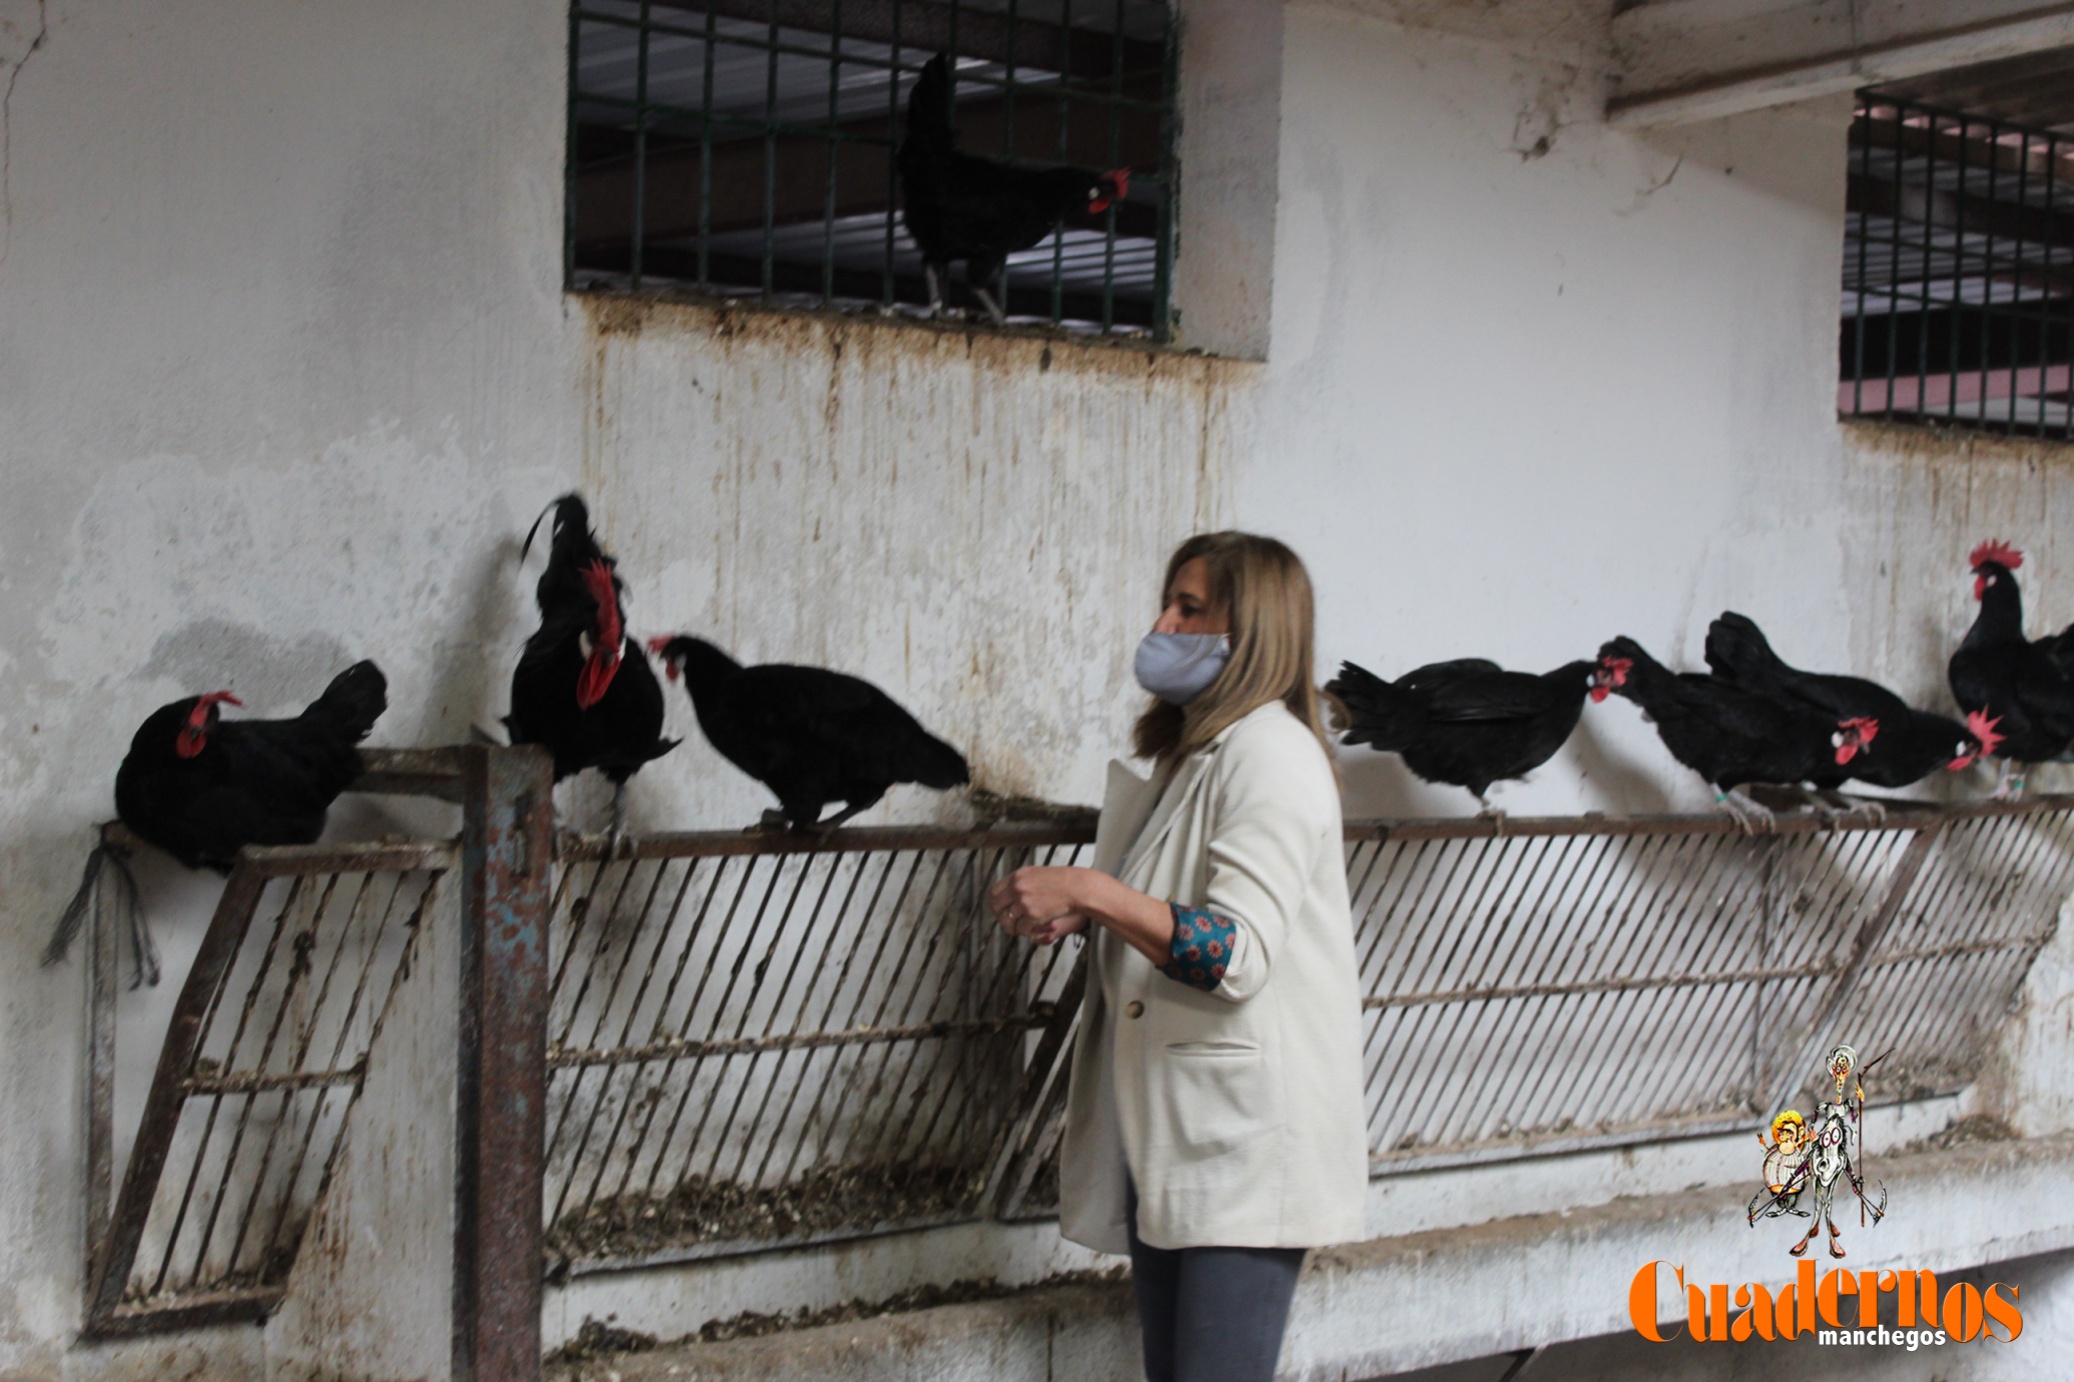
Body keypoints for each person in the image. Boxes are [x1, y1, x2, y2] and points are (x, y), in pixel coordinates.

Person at [990, 532, 1368, 1382]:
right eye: (1168, 603)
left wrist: (1090, 892)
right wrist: (1086, 916)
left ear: (1255, 627)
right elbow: (1172, 911)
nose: (1162, 623)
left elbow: (1232, 953)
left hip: (1244, 1149)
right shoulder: (1198, 758)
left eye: (1188, 609)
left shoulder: (1271, 755)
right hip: (1181, 1136)